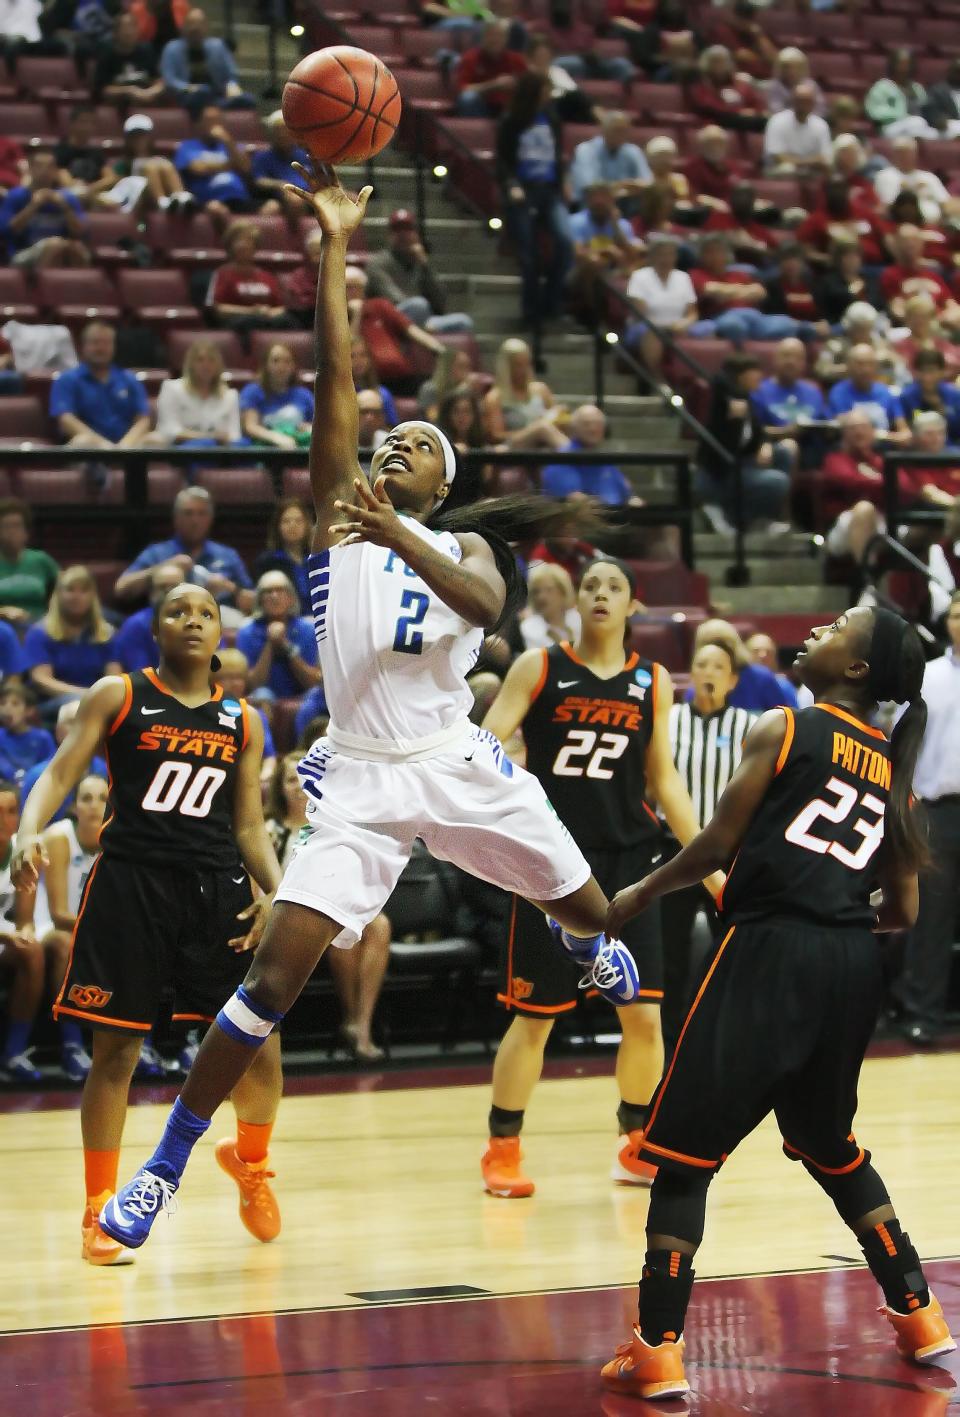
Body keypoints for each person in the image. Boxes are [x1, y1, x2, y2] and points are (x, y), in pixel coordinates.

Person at [96, 164, 650, 1252]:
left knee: (595, 917)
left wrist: (400, 533)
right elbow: (337, 386)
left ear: (440, 486)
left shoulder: (464, 544)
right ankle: (166, 1165)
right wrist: (335, 249)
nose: (395, 445)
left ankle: (572, 935)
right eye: (387, 442)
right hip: (355, 777)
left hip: (456, 754)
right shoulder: (335, 524)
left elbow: (487, 609)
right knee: (273, 974)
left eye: (420, 448)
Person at [600, 606, 955, 1401]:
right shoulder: (893, 765)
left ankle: (656, 1345)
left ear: (856, 669)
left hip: (767, 951)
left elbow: (717, 844)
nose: (822, 626)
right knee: (830, 1142)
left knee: (683, 1152)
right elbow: (903, 908)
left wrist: (634, 895)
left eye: (841, 626)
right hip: (851, 962)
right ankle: (920, 1312)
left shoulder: (785, 727)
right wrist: (833, 911)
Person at [14, 583, 283, 1266]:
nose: (191, 620)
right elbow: (60, 772)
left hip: (217, 888)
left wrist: (278, 892)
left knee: (259, 1049)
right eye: (177, 611)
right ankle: (95, 1212)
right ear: (153, 628)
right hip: (131, 886)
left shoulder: (243, 720)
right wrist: (27, 828)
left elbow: (249, 824)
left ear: (223, 632)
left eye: (205, 612)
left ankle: (250, 1163)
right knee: (116, 1056)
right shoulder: (119, 694)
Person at [481, 557, 723, 1197]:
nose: (600, 595)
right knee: (536, 1018)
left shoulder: (653, 681)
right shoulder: (539, 668)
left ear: (631, 605)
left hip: (630, 865)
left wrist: (705, 862)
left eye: (614, 587)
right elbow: (485, 743)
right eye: (591, 586)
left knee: (644, 1015)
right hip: (550, 864)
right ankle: (502, 1148)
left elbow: (665, 778)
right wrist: (510, 784)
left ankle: (636, 1142)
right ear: (576, 601)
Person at [264, 751, 391, 1064]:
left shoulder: (332, 824)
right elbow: (264, 883)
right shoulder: (269, 829)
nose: (298, 785)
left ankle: (359, 1023)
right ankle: (352, 1020)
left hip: (331, 903)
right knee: (336, 926)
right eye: (291, 780)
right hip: (287, 909)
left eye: (304, 778)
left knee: (378, 925)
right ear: (280, 787)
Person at [661, 639, 753, 1054]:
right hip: (675, 852)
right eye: (703, 664)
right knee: (671, 953)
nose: (710, 672)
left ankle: (730, 1037)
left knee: (733, 949)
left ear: (732, 679)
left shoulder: (750, 727)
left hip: (730, 852)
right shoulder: (670, 721)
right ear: (691, 674)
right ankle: (671, 1042)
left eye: (719, 666)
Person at [28, 773, 109, 1082]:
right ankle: (72, 1046)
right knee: (65, 944)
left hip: (90, 927)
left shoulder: (114, 841)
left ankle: (133, 1044)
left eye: (102, 799)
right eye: (86, 798)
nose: (93, 806)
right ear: (74, 806)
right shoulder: (59, 838)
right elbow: (59, 913)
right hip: (47, 927)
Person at [495, 73, 573, 328]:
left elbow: (557, 154)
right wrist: (512, 185)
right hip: (524, 191)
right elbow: (503, 161)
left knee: (565, 241)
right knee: (529, 255)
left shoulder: (552, 118)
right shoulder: (512, 120)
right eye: (545, 89)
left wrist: (563, 183)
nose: (549, 94)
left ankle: (552, 301)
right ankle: (531, 311)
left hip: (549, 191)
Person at [114, 487, 254, 617]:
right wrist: (164, 567)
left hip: (219, 620)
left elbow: (253, 601)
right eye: (188, 513)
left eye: (202, 513)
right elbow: (121, 590)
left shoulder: (227, 556)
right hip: (167, 622)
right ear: (176, 518)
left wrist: (231, 589)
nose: (195, 520)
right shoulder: (157, 553)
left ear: (211, 519)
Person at [696, 356, 793, 538]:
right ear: (741, 376)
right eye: (755, 371)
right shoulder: (723, 400)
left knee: (783, 453)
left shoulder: (746, 398)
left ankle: (764, 518)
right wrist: (732, 410)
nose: (760, 376)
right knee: (778, 481)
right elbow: (717, 379)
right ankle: (734, 517)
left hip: (742, 462)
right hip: (720, 471)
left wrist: (764, 444)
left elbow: (757, 431)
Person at [23, 567, 121, 717]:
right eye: (70, 590)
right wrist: (85, 695)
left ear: (93, 596)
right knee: (78, 705)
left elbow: (114, 677)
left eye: (83, 590)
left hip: (97, 700)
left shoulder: (107, 633)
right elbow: (41, 680)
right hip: (51, 702)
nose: (77, 596)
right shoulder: (40, 633)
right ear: (58, 595)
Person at [688, 235, 821, 345]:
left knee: (787, 324)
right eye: (710, 252)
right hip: (724, 316)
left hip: (755, 316)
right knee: (734, 326)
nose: (716, 255)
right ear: (702, 256)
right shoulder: (697, 274)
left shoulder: (740, 274)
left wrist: (727, 292)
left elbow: (760, 292)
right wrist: (744, 291)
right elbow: (711, 290)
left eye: (719, 251)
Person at [365, 209, 473, 335]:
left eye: (407, 230)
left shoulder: (419, 261)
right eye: (398, 230)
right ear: (389, 235)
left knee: (464, 322)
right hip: (390, 320)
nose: (403, 235)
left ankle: (422, 332)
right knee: (419, 305)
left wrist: (425, 265)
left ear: (415, 234)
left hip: (423, 319)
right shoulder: (377, 263)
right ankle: (423, 332)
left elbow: (441, 302)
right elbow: (394, 300)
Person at [50, 322, 150, 451]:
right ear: (83, 347)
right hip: (90, 448)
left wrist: (124, 446)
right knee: (82, 442)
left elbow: (143, 420)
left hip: (126, 448)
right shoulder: (67, 380)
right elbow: (66, 420)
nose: (101, 348)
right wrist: (104, 446)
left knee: (155, 440)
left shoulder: (129, 379)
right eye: (95, 343)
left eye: (106, 343)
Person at [345, 265, 443, 396]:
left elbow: (411, 330)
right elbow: (349, 350)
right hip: (368, 381)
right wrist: (356, 315)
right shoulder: (335, 317)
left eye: (357, 287)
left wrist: (439, 349)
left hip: (402, 376)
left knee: (434, 389)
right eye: (348, 287)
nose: (353, 291)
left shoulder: (379, 305)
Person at [236, 571, 321, 700]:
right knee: (262, 695)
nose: (274, 596)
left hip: (303, 695)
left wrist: (285, 645)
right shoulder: (246, 631)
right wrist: (270, 644)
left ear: (291, 598)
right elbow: (252, 685)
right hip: (264, 696)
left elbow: (312, 682)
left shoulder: (308, 629)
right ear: (260, 600)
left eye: (280, 591)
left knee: (316, 695)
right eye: (268, 592)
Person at [0, 147, 89, 269]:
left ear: (56, 171)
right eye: (40, 166)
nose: (45, 171)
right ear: (30, 170)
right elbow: (7, 232)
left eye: (50, 167)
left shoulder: (67, 198)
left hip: (62, 250)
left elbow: (80, 233)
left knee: (77, 249)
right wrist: (33, 206)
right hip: (22, 254)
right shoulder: (16, 196)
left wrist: (65, 207)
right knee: (54, 245)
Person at [625, 234, 698, 376]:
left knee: (709, 329)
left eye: (670, 254)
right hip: (646, 325)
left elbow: (692, 312)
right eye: (662, 254)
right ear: (652, 257)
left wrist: (685, 323)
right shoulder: (639, 276)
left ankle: (694, 379)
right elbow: (640, 313)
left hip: (677, 325)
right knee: (654, 333)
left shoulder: (683, 277)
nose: (666, 259)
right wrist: (666, 326)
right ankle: (657, 379)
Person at [541, 404, 639, 508]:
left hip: (616, 518)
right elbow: (575, 501)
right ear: (573, 428)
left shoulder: (605, 461)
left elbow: (627, 494)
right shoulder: (561, 459)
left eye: (598, 424)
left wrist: (635, 502)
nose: (593, 429)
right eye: (586, 424)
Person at [151, 338, 242, 449]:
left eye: (211, 360)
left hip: (221, 452)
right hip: (182, 450)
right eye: (200, 360)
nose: (206, 365)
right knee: (204, 445)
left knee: (242, 446)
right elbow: (170, 430)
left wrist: (221, 440)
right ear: (191, 364)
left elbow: (234, 435)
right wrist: (209, 437)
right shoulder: (172, 389)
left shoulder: (230, 396)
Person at [482, 337, 570, 451]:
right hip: (514, 447)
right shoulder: (495, 398)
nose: (524, 370)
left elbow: (555, 423)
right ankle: (579, 460)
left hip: (544, 445)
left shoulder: (541, 390)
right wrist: (533, 432)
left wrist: (559, 415)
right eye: (518, 365)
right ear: (507, 367)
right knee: (542, 428)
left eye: (527, 364)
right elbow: (496, 436)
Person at [160, 7, 255, 110]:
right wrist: (189, 88)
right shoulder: (172, 48)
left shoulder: (218, 46)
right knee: (202, 91)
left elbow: (231, 76)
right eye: (191, 24)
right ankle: (217, 107)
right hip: (188, 96)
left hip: (216, 96)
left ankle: (217, 106)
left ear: (206, 27)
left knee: (248, 99)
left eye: (199, 24)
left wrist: (231, 86)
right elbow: (169, 80)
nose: (195, 28)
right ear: (183, 26)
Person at [207, 222, 294, 334]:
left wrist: (269, 312)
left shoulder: (267, 276)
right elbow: (219, 309)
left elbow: (281, 308)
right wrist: (251, 312)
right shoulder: (222, 274)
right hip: (238, 323)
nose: (244, 245)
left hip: (267, 320)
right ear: (231, 246)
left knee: (289, 321)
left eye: (248, 240)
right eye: (239, 240)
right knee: (247, 322)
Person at [567, 182, 641, 312]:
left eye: (604, 198)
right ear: (588, 201)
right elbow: (577, 253)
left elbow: (631, 255)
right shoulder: (576, 221)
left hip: (613, 272)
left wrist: (615, 225)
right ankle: (592, 314)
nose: (599, 202)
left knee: (636, 268)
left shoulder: (622, 224)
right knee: (594, 262)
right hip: (578, 274)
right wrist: (606, 251)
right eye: (595, 198)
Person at [102, 115, 194, 216]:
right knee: (151, 166)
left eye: (143, 135)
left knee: (165, 165)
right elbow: (115, 183)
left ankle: (181, 199)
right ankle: (162, 203)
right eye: (134, 136)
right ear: (128, 140)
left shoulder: (161, 162)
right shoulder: (122, 164)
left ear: (150, 137)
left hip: (159, 193)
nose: (139, 140)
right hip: (135, 198)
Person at [174, 105, 251, 222]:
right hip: (208, 201)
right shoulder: (188, 146)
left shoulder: (232, 146)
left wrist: (227, 141)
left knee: (272, 207)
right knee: (216, 209)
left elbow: (245, 168)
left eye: (217, 121)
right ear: (199, 124)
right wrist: (231, 165)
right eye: (209, 121)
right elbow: (198, 168)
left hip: (239, 199)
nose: (213, 125)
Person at [880, 226, 960, 332]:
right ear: (896, 244)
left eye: (914, 240)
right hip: (911, 330)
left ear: (922, 244)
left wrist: (945, 318)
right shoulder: (890, 275)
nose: (911, 244)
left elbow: (952, 306)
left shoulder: (933, 276)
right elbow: (897, 310)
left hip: (941, 327)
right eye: (905, 241)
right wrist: (923, 322)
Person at [826, 343, 911, 441]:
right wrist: (888, 436)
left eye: (870, 364)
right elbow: (847, 431)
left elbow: (904, 432)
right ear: (849, 366)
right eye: (859, 364)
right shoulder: (839, 393)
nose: (865, 369)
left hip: (883, 451)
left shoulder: (886, 393)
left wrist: (895, 437)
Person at [569, 112, 652, 210]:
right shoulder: (585, 150)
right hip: (592, 208)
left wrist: (621, 188)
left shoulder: (633, 151)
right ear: (603, 130)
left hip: (626, 205)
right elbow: (590, 188)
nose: (620, 135)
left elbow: (648, 183)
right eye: (616, 130)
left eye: (624, 131)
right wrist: (624, 186)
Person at [239, 343, 314, 451]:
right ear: (266, 365)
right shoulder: (252, 391)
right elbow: (250, 427)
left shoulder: (304, 395)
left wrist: (309, 429)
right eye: (275, 361)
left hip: (298, 451)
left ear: (293, 366)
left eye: (287, 361)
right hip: (264, 451)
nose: (281, 367)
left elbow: (316, 428)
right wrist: (277, 438)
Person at [113, 562, 182, 673]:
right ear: (152, 592)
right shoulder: (136, 625)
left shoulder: (200, 621)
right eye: (162, 587)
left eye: (174, 586)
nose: (168, 592)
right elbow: (141, 675)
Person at [0, 499, 56, 629]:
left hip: (41, 624)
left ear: (26, 532)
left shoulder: (41, 560)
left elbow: (66, 588)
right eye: (6, 526)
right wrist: (3, 612)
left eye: (17, 526)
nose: (12, 531)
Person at [253, 497, 313, 616]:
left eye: (298, 521)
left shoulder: (318, 559)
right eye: (286, 521)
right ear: (278, 526)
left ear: (307, 525)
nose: (293, 525)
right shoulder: (267, 562)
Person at [454, 18, 527, 117]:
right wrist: (493, 85)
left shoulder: (517, 60)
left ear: (506, 39)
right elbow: (462, 89)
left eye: (499, 36)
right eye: (491, 35)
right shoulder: (471, 58)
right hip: (481, 106)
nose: (495, 40)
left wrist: (515, 86)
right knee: (467, 98)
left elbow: (529, 86)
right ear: (483, 38)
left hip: (509, 109)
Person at [686, 46, 767, 133]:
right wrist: (737, 112)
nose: (719, 65)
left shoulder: (741, 84)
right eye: (715, 61)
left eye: (723, 61)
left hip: (745, 122)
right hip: (716, 123)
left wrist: (754, 112)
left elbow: (757, 104)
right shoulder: (701, 85)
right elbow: (709, 107)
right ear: (706, 64)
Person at [93, 11, 165, 105]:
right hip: (118, 106)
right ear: (115, 33)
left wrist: (149, 93)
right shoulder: (107, 54)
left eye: (132, 27)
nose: (129, 32)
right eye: (125, 28)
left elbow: (160, 82)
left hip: (145, 103)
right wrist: (128, 91)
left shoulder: (147, 51)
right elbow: (102, 90)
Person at [865, 48, 937, 140]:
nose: (905, 68)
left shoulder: (917, 88)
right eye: (901, 64)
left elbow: (925, 109)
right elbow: (874, 112)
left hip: (918, 126)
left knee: (938, 134)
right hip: (890, 127)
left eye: (908, 65)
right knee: (917, 122)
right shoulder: (882, 87)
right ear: (893, 65)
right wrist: (902, 114)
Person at [763, 82, 833, 176]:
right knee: (787, 168)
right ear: (793, 101)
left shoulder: (821, 125)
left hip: (810, 173)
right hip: (779, 172)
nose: (803, 105)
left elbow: (824, 158)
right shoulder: (777, 121)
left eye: (807, 101)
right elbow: (779, 158)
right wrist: (812, 161)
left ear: (813, 103)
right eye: (800, 101)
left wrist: (796, 161)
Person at [249, 111, 310, 217]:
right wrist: (280, 185)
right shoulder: (263, 156)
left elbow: (320, 177)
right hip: (279, 198)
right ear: (272, 134)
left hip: (309, 197)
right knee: (274, 207)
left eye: (285, 130)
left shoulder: (306, 155)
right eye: (278, 131)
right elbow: (259, 180)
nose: (283, 135)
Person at [900, 348, 960, 443]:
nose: (926, 377)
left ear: (942, 372)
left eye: (931, 371)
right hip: (917, 450)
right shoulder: (906, 397)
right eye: (922, 371)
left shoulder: (954, 395)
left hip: (949, 449)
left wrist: (942, 411)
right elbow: (905, 429)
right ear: (915, 373)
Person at [0, 680, 54, 783]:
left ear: (28, 711)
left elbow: (48, 767)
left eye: (15, 704)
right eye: (2, 703)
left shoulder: (42, 737)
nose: (7, 708)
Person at [517, 562, 580, 651]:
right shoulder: (529, 628)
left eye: (549, 590)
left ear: (563, 592)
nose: (541, 597)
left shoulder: (579, 618)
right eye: (536, 592)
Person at [766, 47, 826, 115]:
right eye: (787, 67)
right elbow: (775, 110)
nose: (792, 71)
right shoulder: (775, 86)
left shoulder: (811, 86)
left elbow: (820, 109)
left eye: (796, 67)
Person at [284, 226, 322, 325]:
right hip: (303, 318)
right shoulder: (298, 275)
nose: (318, 257)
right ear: (308, 252)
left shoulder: (340, 276)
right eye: (315, 252)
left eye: (321, 251)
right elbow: (298, 303)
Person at [922, 57, 960, 137]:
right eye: (957, 71)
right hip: (947, 126)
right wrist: (939, 120)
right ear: (950, 71)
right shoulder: (937, 90)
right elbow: (930, 110)